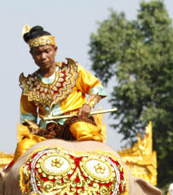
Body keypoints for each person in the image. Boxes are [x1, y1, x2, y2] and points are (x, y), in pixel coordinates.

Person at [13, 25, 107, 163]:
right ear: (32, 55)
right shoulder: (30, 84)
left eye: (47, 51)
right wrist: (33, 128)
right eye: (38, 53)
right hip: (47, 131)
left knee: (81, 130)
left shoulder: (72, 71)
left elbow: (97, 88)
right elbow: (28, 116)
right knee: (23, 146)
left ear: (55, 50)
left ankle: (101, 163)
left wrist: (88, 105)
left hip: (74, 121)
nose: (43, 57)